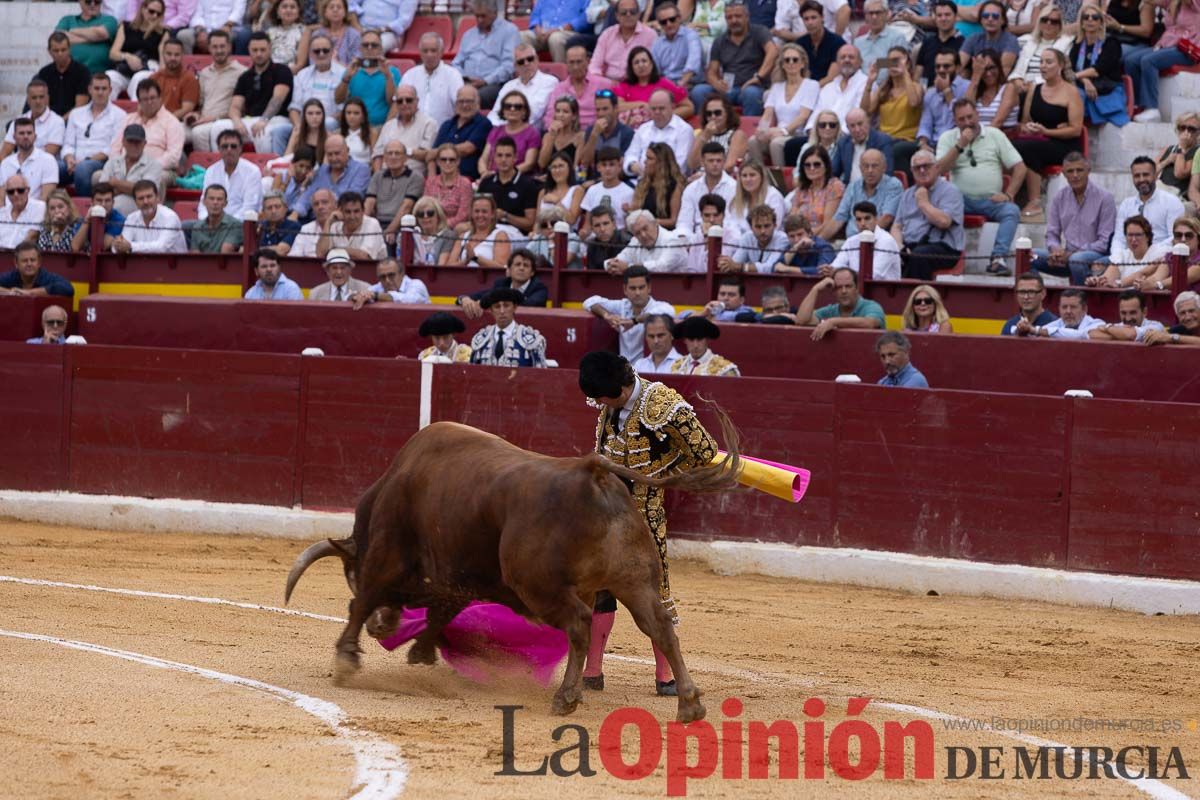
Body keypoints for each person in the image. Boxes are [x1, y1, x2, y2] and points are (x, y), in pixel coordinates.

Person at [577, 349, 724, 694]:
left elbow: (705, 452)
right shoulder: (609, 402)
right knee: (599, 589)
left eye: (603, 397)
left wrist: (661, 475)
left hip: (644, 512)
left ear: (623, 389)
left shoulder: (663, 404)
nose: (600, 404)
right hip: (605, 510)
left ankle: (666, 676)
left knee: (653, 594)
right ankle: (592, 671)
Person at [936, 98, 1025, 276]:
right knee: (939, 211)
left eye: (970, 116)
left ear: (977, 114)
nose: (967, 122)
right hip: (959, 200)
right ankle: (948, 259)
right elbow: (939, 170)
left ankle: (997, 259)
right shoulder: (947, 137)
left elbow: (1020, 168)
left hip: (991, 200)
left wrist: (1008, 195)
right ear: (955, 121)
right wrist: (959, 145)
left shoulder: (994, 134)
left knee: (1011, 211)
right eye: (961, 119)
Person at [1013, 49, 1084, 218]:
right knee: (1016, 145)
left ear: (1060, 66)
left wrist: (1047, 131)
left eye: (1049, 62)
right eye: (1041, 62)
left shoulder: (1071, 92)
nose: (1043, 66)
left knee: (1026, 147)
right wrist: (1027, 127)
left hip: (1064, 144)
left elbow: (1075, 130)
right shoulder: (1034, 88)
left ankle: (1034, 201)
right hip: (1039, 139)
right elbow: (1023, 122)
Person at [1031, 151, 1114, 284]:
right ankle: (1037, 295)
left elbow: (1104, 243)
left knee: (1078, 259)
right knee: (1029, 256)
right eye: (1070, 171)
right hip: (1065, 256)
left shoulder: (1105, 198)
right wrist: (1056, 250)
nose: (1075, 175)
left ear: (1088, 171)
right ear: (1064, 174)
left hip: (1094, 255)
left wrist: (1072, 254)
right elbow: (1052, 234)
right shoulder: (1059, 197)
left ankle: (1082, 300)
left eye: (1079, 170)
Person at [692, 0, 778, 117]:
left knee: (751, 93)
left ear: (747, 17)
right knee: (699, 91)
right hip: (728, 88)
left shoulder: (759, 31)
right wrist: (716, 83)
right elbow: (712, 71)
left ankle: (749, 133)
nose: (734, 20)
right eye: (729, 17)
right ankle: (705, 130)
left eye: (738, 16)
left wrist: (759, 77)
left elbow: (773, 51)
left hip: (752, 86)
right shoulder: (720, 41)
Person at [892, 149, 964, 280]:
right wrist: (900, 248)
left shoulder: (950, 191)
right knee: (886, 253)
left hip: (943, 248)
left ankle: (918, 295)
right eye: (917, 168)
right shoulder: (907, 194)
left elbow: (944, 222)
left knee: (919, 256)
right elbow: (897, 226)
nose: (922, 171)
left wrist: (924, 203)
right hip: (910, 246)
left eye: (926, 166)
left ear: (936, 168)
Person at [1126, 0, 1200, 122]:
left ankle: (1152, 108)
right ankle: (1139, 104)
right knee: (1131, 61)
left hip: (1187, 49)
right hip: (1167, 45)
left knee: (1149, 60)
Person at [583, 265, 676, 360]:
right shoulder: (622, 305)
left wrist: (634, 321)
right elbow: (589, 301)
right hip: (624, 370)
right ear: (625, 289)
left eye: (641, 288)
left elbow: (669, 310)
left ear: (649, 288)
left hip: (646, 369)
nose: (637, 293)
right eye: (633, 288)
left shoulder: (658, 306)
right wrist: (607, 316)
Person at [750, 43, 820, 167]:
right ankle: (760, 176)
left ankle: (781, 180)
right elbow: (767, 114)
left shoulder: (811, 85)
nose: (791, 63)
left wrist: (783, 131)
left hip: (798, 134)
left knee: (776, 143)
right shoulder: (777, 87)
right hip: (777, 132)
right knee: (753, 141)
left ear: (803, 63)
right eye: (787, 60)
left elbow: (803, 116)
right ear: (782, 65)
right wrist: (762, 130)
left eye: (795, 59)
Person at [1110, 156, 1185, 264]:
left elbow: (1175, 237)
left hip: (1159, 260)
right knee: (1100, 267)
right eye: (1137, 176)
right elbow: (1119, 238)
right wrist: (1117, 259)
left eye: (1145, 175)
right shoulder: (1126, 204)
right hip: (1128, 259)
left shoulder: (1171, 202)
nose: (1141, 179)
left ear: (1155, 175)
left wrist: (1149, 254)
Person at [60, 75, 123, 199]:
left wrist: (85, 161)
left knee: (83, 170)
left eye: (104, 89)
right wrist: (69, 159)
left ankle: (84, 210)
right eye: (97, 88)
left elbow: (113, 148)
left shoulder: (119, 115)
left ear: (110, 90)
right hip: (73, 163)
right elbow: (68, 144)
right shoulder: (76, 113)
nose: (100, 92)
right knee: (52, 166)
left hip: (100, 162)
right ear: (90, 89)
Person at [861, 47, 922, 175]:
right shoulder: (884, 89)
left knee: (893, 150)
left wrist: (904, 72)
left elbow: (913, 102)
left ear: (907, 63)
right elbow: (866, 111)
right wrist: (869, 83)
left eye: (897, 61)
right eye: (889, 61)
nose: (893, 64)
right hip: (884, 138)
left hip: (906, 139)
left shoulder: (916, 86)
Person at [185, 30, 247, 151]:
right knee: (174, 131)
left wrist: (214, 118)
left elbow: (242, 108)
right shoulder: (204, 73)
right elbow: (201, 103)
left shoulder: (242, 72)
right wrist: (195, 115)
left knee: (198, 133)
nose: (219, 51)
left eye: (222, 46)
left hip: (224, 120)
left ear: (229, 47)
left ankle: (204, 169)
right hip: (202, 119)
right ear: (209, 48)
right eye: (215, 47)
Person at [452, 0, 521, 110]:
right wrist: (463, 77)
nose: (479, 20)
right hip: (466, 82)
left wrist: (485, 81)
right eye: (477, 16)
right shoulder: (469, 34)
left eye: (483, 16)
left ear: (494, 13)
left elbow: (509, 66)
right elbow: (456, 62)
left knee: (473, 97)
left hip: (494, 84)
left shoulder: (509, 31)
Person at [826, 147, 904, 242]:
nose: (870, 170)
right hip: (850, 242)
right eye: (866, 166)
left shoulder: (893, 185)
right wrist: (818, 241)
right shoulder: (853, 186)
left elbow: (886, 218)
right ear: (860, 168)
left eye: (875, 166)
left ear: (884, 168)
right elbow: (838, 219)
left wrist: (861, 240)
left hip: (876, 242)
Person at [1069, 2, 1127, 126]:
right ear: (1082, 23)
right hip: (1084, 85)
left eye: (1095, 17)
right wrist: (1085, 80)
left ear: (1101, 22)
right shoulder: (1077, 43)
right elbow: (1070, 68)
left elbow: (1098, 70)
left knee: (1074, 94)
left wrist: (1076, 76)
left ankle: (1072, 127)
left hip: (1105, 87)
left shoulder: (1111, 43)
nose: (1090, 20)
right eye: (1086, 17)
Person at [286, 36, 345, 150]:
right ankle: (281, 163)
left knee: (328, 123)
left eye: (325, 50)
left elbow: (344, 109)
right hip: (304, 122)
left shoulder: (343, 74)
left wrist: (318, 120)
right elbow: (294, 108)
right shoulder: (302, 74)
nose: (321, 54)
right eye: (316, 51)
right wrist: (299, 126)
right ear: (310, 54)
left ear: (333, 51)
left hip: (331, 121)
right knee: (278, 131)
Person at [614, 46, 694, 130]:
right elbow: (618, 107)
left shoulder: (664, 84)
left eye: (644, 61)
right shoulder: (625, 85)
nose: (641, 65)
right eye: (636, 62)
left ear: (651, 64)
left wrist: (663, 116)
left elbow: (689, 107)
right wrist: (642, 105)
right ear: (631, 67)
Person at [796, 266, 886, 339]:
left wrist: (833, 322)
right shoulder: (830, 311)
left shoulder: (871, 306)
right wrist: (815, 289)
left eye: (848, 286)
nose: (844, 291)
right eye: (839, 287)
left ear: (857, 288)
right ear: (833, 291)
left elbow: (870, 323)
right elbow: (801, 321)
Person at [295, 135, 371, 220]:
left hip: (343, 220)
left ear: (347, 151)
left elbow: (352, 199)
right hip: (316, 220)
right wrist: (296, 213)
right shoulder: (322, 170)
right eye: (330, 154)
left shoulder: (361, 169)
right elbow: (309, 194)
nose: (334, 158)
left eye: (337, 153)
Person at [456, 248, 549, 319]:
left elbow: (529, 304)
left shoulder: (539, 288)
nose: (521, 268)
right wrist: (464, 299)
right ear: (509, 269)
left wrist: (488, 301)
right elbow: (480, 295)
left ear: (532, 272)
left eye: (526, 265)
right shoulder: (502, 284)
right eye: (517, 264)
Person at [488, 44, 561, 133]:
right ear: (515, 66)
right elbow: (495, 113)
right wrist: (499, 129)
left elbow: (533, 113)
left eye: (530, 59)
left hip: (529, 133)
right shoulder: (509, 86)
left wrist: (506, 127)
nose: (526, 64)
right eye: (521, 62)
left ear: (537, 59)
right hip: (503, 131)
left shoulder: (549, 81)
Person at [469, 287, 549, 367]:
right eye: (497, 306)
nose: (502, 311)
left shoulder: (531, 338)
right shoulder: (481, 339)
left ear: (514, 307)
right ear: (491, 310)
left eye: (506, 306)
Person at [105, 0, 167, 102]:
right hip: (125, 70)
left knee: (139, 79)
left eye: (158, 13)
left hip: (148, 70)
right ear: (143, 9)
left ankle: (136, 114)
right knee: (109, 77)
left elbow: (162, 61)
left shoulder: (162, 33)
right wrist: (128, 57)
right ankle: (106, 113)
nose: (155, 16)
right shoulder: (126, 27)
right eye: (151, 11)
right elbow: (113, 53)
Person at [623, 90, 694, 177]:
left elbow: (680, 165)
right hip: (641, 180)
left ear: (672, 107)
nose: (657, 112)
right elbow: (630, 155)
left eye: (661, 108)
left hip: (671, 183)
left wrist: (652, 172)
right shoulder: (643, 129)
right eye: (653, 109)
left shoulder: (684, 130)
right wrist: (632, 165)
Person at [372, 85, 438, 178]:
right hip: (385, 177)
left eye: (409, 100)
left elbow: (427, 155)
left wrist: (401, 150)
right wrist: (378, 178)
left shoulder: (429, 124)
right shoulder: (388, 125)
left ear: (417, 101)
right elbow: (377, 155)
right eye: (400, 101)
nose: (404, 104)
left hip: (412, 178)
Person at [399, 33, 464, 128]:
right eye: (425, 51)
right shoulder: (410, 75)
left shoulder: (453, 75)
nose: (429, 55)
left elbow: (460, 106)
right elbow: (398, 104)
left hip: (442, 133)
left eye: (433, 51)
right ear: (420, 53)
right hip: (412, 131)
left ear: (441, 52)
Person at [543, 46, 613, 132]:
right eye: (571, 62)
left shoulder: (604, 84)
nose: (575, 67)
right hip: (567, 135)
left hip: (596, 134)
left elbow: (613, 112)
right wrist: (553, 127)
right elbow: (549, 116)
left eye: (579, 62)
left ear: (587, 62)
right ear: (566, 64)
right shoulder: (559, 88)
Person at [429, 85, 493, 181]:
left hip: (467, 179)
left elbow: (468, 149)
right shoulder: (447, 125)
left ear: (478, 104)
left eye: (469, 101)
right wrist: (432, 179)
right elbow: (431, 157)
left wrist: (437, 152)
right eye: (461, 101)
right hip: (441, 179)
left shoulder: (483, 123)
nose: (464, 105)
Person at [1090, 215, 1169, 288]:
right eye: (1130, 235)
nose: (1133, 239)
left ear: (1148, 237)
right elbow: (1107, 279)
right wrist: (1096, 281)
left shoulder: (1160, 252)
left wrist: (1119, 283)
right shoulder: (1121, 255)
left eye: (1138, 235)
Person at [915, 50, 970, 157]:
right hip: (934, 143)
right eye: (938, 66)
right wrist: (923, 143)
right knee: (901, 150)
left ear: (958, 68)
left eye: (946, 66)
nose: (941, 70)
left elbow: (962, 118)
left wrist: (947, 91)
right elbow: (925, 124)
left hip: (958, 142)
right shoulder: (931, 93)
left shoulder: (967, 87)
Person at [200, 129, 262, 222]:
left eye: (233, 146)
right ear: (219, 149)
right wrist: (205, 222)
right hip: (212, 224)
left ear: (240, 148)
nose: (229, 150)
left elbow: (250, 207)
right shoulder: (211, 171)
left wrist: (226, 225)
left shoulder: (252, 171)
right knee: (186, 226)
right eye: (225, 146)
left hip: (239, 225)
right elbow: (204, 203)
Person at [829, 201, 902, 279]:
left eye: (867, 218)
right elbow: (837, 264)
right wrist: (830, 270)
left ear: (876, 219)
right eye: (859, 219)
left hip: (884, 289)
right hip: (855, 287)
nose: (863, 223)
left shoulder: (886, 241)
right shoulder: (851, 241)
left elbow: (874, 275)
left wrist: (840, 273)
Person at [589, 0, 658, 83]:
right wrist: (602, 82)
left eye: (632, 12)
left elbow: (653, 67)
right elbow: (595, 66)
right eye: (623, 13)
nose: (628, 15)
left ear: (639, 14)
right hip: (607, 84)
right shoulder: (607, 34)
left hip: (635, 84)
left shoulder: (650, 35)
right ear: (617, 16)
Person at [366, 141, 423, 238]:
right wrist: (363, 226)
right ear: (384, 157)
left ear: (405, 158)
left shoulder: (415, 177)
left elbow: (406, 207)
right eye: (390, 153)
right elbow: (369, 203)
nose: (393, 157)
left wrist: (390, 230)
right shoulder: (377, 176)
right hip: (377, 223)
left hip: (401, 225)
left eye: (397, 153)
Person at [679, 143, 738, 236]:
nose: (715, 164)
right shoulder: (691, 189)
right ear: (702, 162)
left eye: (719, 161)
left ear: (724, 161)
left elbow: (734, 223)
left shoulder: (735, 188)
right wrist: (685, 238)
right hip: (696, 239)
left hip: (726, 237)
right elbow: (684, 223)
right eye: (711, 161)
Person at [112, 179, 186, 253]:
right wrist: (118, 246)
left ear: (157, 198)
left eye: (149, 197)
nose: (145, 202)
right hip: (142, 263)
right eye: (141, 198)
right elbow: (124, 243)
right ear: (135, 202)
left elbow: (161, 247)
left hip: (173, 264)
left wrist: (131, 246)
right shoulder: (131, 218)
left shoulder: (170, 217)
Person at [605, 209, 690, 273]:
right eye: (638, 233)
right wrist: (611, 265)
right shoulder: (635, 241)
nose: (643, 235)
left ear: (655, 223)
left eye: (645, 228)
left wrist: (628, 267)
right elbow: (619, 260)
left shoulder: (672, 240)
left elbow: (662, 267)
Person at [1011, 5, 1072, 94]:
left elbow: (1060, 73)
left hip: (1049, 87)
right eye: (1044, 20)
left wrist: (1034, 83)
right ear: (1039, 22)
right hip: (1024, 85)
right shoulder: (1028, 41)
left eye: (1054, 21)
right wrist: (1017, 80)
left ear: (1060, 25)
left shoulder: (1066, 43)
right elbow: (1018, 70)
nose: (1048, 23)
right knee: (1010, 88)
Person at [481, 90, 542, 176]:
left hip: (518, 180)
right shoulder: (496, 131)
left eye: (517, 107)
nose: (512, 109)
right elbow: (483, 159)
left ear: (524, 111)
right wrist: (484, 173)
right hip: (492, 178)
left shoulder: (532, 133)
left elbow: (529, 163)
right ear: (503, 110)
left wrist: (501, 174)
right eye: (508, 106)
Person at [812, 45, 869, 135]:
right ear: (837, 63)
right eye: (842, 57)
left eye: (851, 57)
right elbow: (816, 116)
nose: (846, 60)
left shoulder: (866, 84)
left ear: (860, 62)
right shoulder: (828, 88)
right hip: (821, 136)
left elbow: (859, 117)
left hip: (848, 138)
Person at [726, 159, 788, 240]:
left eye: (752, 175)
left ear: (761, 177)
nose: (748, 179)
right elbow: (730, 226)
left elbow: (773, 228)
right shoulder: (736, 200)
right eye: (744, 176)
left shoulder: (773, 196)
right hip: (740, 244)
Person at [829, 109, 894, 187]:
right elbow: (833, 172)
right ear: (847, 127)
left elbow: (887, 172)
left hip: (874, 189)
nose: (857, 129)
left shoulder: (882, 140)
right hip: (849, 191)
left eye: (860, 124)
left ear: (868, 122)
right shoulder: (843, 143)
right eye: (852, 126)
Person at [2, 83, 65, 163]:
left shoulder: (57, 122)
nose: (38, 101)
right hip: (19, 166)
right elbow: (4, 152)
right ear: (28, 100)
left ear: (47, 99)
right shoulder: (18, 121)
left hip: (45, 168)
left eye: (41, 97)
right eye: (34, 98)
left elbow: (49, 155)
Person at [0, 119, 60, 203]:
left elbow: (46, 198)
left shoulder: (48, 160)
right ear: (14, 137)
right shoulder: (5, 163)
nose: (25, 136)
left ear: (35, 136)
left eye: (29, 133)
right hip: (8, 214)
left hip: (37, 213)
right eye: (21, 133)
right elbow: (1, 199)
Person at [445, 194, 512, 267]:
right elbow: (449, 266)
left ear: (492, 214)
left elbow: (501, 267)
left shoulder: (499, 236)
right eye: (476, 211)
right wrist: (465, 262)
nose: (480, 215)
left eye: (484, 211)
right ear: (472, 214)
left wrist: (476, 258)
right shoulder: (463, 236)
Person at [56, 0, 120, 77]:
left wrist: (72, 31)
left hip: (100, 75)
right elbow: (59, 39)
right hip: (70, 73)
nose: (92, 4)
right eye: (88, 1)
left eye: (97, 2)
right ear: (80, 2)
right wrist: (93, 38)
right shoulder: (67, 20)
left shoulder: (110, 20)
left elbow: (101, 34)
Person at [317, 191, 386, 261]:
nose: (352, 216)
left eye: (356, 211)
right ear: (340, 211)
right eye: (348, 212)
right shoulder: (335, 225)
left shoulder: (372, 224)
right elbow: (320, 255)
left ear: (363, 211)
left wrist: (334, 251)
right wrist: (328, 222)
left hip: (369, 270)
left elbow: (364, 257)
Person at [578, 89, 633, 178]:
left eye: (605, 109)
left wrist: (598, 182)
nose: (601, 114)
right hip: (592, 181)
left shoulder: (627, 133)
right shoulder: (591, 130)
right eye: (598, 110)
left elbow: (622, 169)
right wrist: (594, 135)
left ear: (616, 109)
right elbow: (584, 164)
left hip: (617, 181)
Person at [687, 95, 749, 174]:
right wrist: (705, 136)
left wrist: (705, 177)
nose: (713, 117)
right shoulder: (702, 135)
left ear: (727, 114)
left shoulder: (737, 135)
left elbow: (729, 166)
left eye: (717, 113)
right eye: (709, 114)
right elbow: (692, 164)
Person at [581, 147, 636, 232]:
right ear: (598, 167)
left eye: (612, 164)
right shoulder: (592, 190)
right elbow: (587, 223)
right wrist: (584, 233)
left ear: (619, 166)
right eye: (604, 165)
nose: (608, 169)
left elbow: (629, 226)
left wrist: (628, 212)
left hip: (619, 239)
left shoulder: (629, 192)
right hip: (595, 238)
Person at [964, 48, 1019, 133]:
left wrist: (982, 139)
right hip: (977, 138)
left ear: (999, 67)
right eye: (984, 69)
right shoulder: (974, 90)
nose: (988, 73)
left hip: (1002, 138)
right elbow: (965, 112)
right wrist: (975, 77)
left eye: (992, 67)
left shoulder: (1009, 88)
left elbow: (998, 121)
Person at [723, 204, 789, 273]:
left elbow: (771, 267)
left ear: (775, 225)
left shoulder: (782, 239)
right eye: (758, 227)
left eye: (767, 226)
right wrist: (726, 264)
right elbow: (735, 262)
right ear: (751, 227)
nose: (763, 231)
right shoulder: (747, 237)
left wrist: (741, 267)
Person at [38, 32, 91, 118]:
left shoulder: (82, 72)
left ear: (69, 49)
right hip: (50, 121)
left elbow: (80, 107)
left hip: (75, 120)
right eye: (56, 50)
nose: (60, 54)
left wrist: (60, 123)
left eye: (63, 50)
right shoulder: (44, 73)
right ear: (49, 51)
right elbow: (43, 105)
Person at [632, 143, 684, 230]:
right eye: (646, 157)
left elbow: (673, 220)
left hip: (665, 235)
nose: (645, 161)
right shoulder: (642, 183)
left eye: (650, 158)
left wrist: (650, 222)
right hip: (642, 232)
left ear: (661, 163)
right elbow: (635, 211)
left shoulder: (674, 186)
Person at [854, 0, 908, 83]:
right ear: (866, 16)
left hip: (887, 87)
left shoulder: (897, 37)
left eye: (878, 13)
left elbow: (900, 62)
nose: (874, 17)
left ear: (886, 14)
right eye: (871, 13)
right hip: (860, 87)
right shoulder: (858, 42)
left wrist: (877, 64)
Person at [651, 3, 703, 88]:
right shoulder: (657, 43)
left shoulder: (691, 36)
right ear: (659, 24)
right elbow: (654, 71)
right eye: (664, 22)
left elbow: (693, 64)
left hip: (690, 84)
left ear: (679, 18)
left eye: (672, 19)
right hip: (666, 85)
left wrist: (679, 86)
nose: (668, 24)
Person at [423, 144, 475, 230]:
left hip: (453, 229)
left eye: (452, 160)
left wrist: (441, 227)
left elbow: (463, 215)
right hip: (430, 227)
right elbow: (424, 207)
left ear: (458, 161)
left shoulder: (465, 184)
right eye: (443, 159)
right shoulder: (430, 182)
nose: (448, 163)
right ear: (438, 162)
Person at [1018, 288, 1105, 338]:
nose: (1068, 311)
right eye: (1064, 307)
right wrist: (1023, 329)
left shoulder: (1097, 324)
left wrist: (1035, 330)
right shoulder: (1056, 324)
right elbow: (1035, 336)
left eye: (1073, 307)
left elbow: (1079, 335)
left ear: (1084, 309)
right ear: (1059, 308)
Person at [960, 0, 1019, 73]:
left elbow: (1002, 75)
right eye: (985, 16)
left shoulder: (1010, 41)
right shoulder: (973, 39)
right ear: (981, 20)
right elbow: (959, 65)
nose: (990, 19)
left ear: (1003, 20)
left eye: (995, 16)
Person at [796, 0, 847, 85]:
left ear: (822, 17)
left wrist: (811, 90)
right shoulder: (800, 44)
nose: (810, 22)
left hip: (830, 88)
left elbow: (831, 77)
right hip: (805, 87)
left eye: (813, 17)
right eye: (806, 19)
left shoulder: (837, 43)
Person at [669, 315, 741, 375]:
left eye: (700, 340)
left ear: (707, 340)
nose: (695, 345)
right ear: (685, 340)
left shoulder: (724, 369)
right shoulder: (677, 366)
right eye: (691, 340)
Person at [522, 0, 590, 63]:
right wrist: (537, 28)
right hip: (542, 32)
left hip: (568, 31)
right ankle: (527, 73)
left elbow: (585, 18)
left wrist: (559, 29)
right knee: (523, 36)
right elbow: (535, 15)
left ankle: (561, 73)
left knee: (556, 38)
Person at [1087, 288, 1166, 342]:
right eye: (1123, 313)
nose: (1128, 318)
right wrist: (1120, 334)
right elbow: (1092, 334)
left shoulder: (1156, 326)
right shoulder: (1115, 327)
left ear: (1144, 311)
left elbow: (1130, 335)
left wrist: (1107, 327)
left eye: (1133, 312)